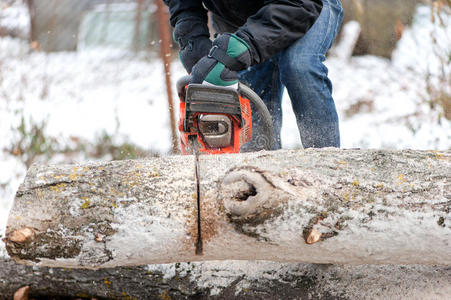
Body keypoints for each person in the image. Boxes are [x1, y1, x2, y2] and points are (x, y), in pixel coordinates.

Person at [163, 0, 344, 150]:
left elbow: (302, 3)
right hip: (236, 17)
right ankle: (259, 177)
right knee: (251, 99)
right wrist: (192, 38)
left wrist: (243, 47)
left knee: (300, 66)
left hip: (305, 5)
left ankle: (326, 162)